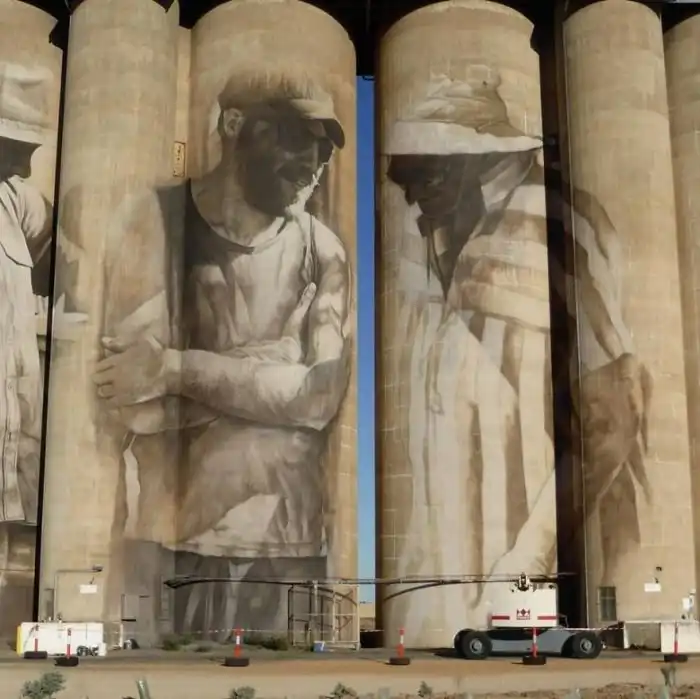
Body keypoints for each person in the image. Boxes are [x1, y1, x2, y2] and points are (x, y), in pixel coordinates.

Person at [383, 73, 649, 643]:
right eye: (402, 177)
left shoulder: (556, 221)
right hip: (458, 591)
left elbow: (613, 417)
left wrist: (527, 560)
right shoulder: (443, 239)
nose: (409, 193)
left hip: (523, 573)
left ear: (477, 158)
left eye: (424, 172)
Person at [91, 71, 352, 638]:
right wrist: (278, 362)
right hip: (172, 543)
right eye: (295, 137)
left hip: (289, 547)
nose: (313, 162)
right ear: (234, 124)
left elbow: (318, 398)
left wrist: (176, 368)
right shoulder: (155, 221)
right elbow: (136, 406)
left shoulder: (321, 249)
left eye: (324, 148)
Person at [0, 62, 54, 636]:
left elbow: (57, 240)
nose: (24, 162)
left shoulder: (16, 202)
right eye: (14, 146)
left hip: (19, 426)